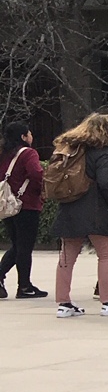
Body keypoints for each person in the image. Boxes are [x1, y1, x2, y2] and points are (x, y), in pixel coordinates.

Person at [51, 113, 108, 317]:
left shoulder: (73, 149)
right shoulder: (105, 152)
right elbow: (106, 182)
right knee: (107, 255)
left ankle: (64, 303)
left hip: (69, 206)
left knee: (67, 257)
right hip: (97, 209)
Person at [0, 121, 48, 300]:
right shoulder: (28, 153)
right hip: (26, 204)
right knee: (24, 247)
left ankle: (5, 278)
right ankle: (24, 285)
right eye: (29, 133)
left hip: (7, 204)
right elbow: (36, 173)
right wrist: (41, 191)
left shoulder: (4, 155)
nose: (31, 136)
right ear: (23, 136)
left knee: (17, 245)